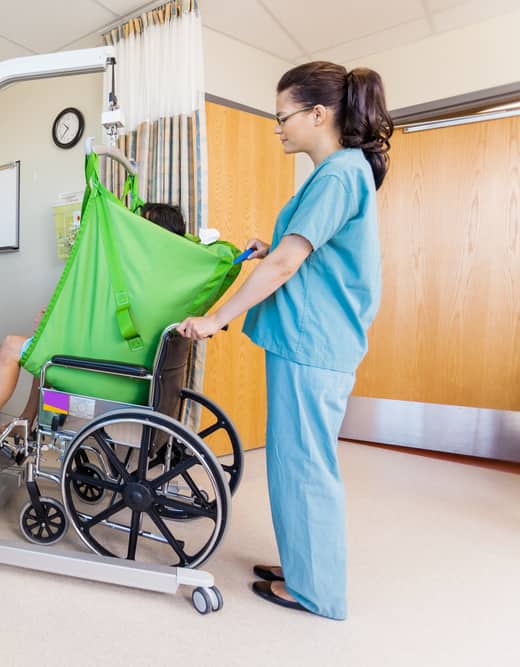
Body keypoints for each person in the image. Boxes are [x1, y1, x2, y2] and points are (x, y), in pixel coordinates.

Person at [177, 62, 392, 620]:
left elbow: (285, 266)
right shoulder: (337, 174)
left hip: (313, 345)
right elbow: (302, 251)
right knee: (295, 461)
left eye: (282, 117)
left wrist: (214, 318)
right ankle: (303, 565)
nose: (278, 128)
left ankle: (316, 590)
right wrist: (269, 244)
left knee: (305, 466)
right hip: (310, 342)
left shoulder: (340, 174)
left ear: (318, 115)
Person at [0, 202, 189, 457]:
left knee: (13, 346)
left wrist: (56, 327)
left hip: (115, 382)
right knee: (43, 349)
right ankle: (27, 420)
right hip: (138, 379)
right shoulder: (169, 282)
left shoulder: (138, 278)